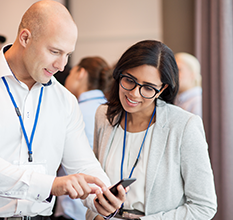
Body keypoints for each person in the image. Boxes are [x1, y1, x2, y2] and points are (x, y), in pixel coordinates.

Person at [0, 1, 126, 219]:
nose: (62, 65)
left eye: (68, 55)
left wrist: (102, 195)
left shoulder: (65, 101)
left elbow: (83, 164)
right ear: (25, 38)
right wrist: (50, 185)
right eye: (55, 51)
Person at [87, 40, 217, 220]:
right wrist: (96, 215)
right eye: (129, 80)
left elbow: (204, 207)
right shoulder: (104, 115)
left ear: (162, 88)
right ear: (119, 74)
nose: (134, 94)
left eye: (148, 87)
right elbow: (94, 184)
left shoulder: (184, 125)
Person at [54, 56, 111, 220]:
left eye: (70, 72)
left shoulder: (73, 111)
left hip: (73, 203)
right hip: (104, 204)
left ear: (80, 73)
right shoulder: (112, 111)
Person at [174, 52, 202, 117]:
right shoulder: (178, 100)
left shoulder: (198, 102)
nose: (174, 75)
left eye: (179, 70)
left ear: (193, 74)